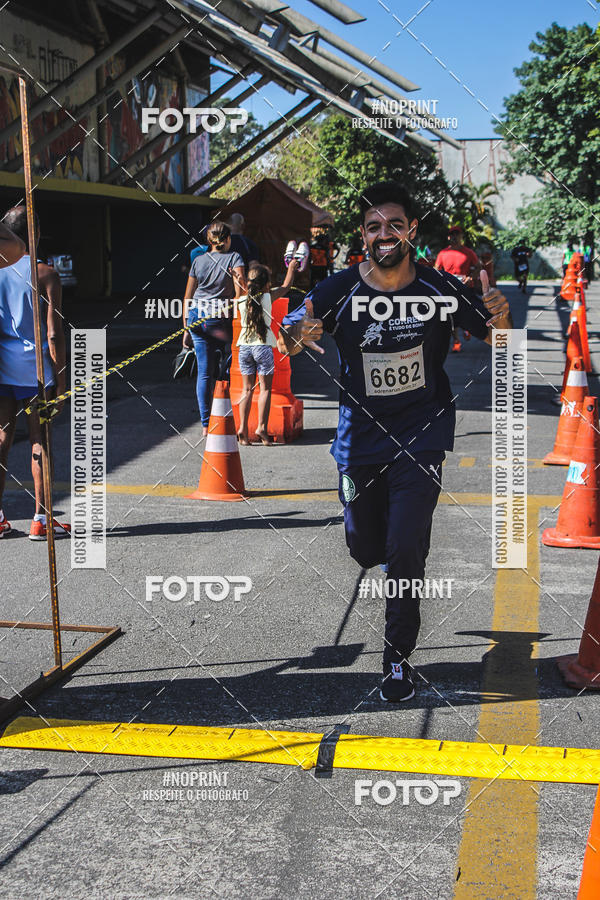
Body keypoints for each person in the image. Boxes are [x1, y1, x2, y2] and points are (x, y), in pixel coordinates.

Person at [278, 181, 512, 702]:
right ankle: (387, 549)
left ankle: (398, 658)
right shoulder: (340, 289)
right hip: (359, 440)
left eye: (394, 225)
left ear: (411, 232)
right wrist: (299, 332)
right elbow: (290, 335)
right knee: (365, 546)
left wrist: (502, 313)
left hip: (422, 433)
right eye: (373, 227)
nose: (384, 235)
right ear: (363, 237)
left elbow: (496, 335)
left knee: (404, 549)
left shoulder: (437, 288)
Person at [0, 206, 69, 541]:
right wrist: (64, 379)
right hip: (37, 373)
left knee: (1, 439)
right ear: (36, 234)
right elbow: (54, 333)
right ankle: (41, 519)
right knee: (41, 442)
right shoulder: (45, 274)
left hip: (3, 369)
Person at [182, 221, 246, 436]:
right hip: (220, 320)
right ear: (227, 239)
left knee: (204, 372)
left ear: (208, 241)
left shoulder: (198, 261)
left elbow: (188, 297)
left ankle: (206, 424)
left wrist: (185, 328)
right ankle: (229, 416)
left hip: (197, 319)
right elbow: (240, 295)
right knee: (232, 364)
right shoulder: (234, 258)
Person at [236, 259, 299, 445]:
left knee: (246, 389)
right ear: (267, 284)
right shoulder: (267, 297)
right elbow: (287, 286)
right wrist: (292, 268)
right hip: (262, 347)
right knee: (265, 389)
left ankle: (242, 429)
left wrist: (238, 279)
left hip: (244, 348)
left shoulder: (241, 300)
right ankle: (261, 428)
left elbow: (240, 288)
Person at [435, 226, 481, 353]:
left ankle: (467, 329)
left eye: (457, 234)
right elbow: (437, 270)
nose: (454, 237)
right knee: (451, 316)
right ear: (448, 237)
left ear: (461, 237)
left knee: (467, 312)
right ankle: (456, 341)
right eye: (452, 235)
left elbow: (478, 267)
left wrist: (471, 278)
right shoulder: (443, 253)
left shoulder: (469, 252)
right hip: (449, 289)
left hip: (465, 288)